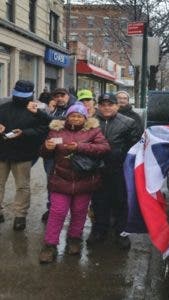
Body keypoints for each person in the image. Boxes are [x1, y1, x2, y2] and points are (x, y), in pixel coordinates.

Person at [39, 103, 110, 263]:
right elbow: (44, 153)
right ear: (67, 116)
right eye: (72, 115)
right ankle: (50, 245)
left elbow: (104, 148)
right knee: (57, 212)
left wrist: (80, 147)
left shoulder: (93, 131)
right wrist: (47, 147)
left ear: (85, 118)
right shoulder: (56, 130)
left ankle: (74, 239)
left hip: (84, 180)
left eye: (79, 116)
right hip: (60, 180)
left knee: (79, 212)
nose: (75, 118)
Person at [88, 93, 142, 250]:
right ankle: (99, 230)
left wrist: (120, 157)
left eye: (110, 104)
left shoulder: (129, 123)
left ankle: (122, 232)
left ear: (116, 106)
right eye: (103, 104)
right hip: (96, 169)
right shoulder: (90, 121)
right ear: (98, 106)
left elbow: (135, 146)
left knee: (120, 201)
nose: (106, 107)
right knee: (98, 201)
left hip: (119, 170)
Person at [0, 80, 50, 229]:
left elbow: (44, 129)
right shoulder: (3, 106)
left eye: (24, 95)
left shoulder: (38, 109)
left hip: (23, 153)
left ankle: (20, 216)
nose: (20, 98)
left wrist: (24, 133)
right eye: (18, 94)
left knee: (22, 186)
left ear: (32, 95)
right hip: (1, 151)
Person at [41, 87, 77, 222]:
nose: (60, 98)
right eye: (57, 96)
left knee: (72, 181)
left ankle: (73, 212)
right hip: (51, 152)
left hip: (68, 152)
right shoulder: (51, 108)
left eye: (63, 95)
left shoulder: (75, 108)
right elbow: (44, 126)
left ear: (68, 96)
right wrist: (48, 111)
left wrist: (47, 115)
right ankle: (52, 208)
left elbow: (63, 121)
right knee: (51, 181)